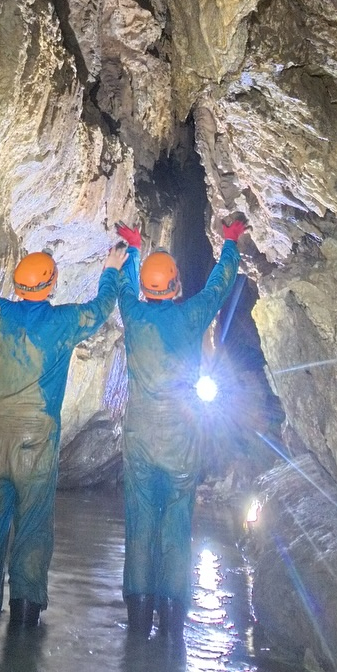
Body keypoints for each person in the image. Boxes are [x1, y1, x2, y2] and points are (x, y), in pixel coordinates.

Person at [0, 240, 122, 627]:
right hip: (37, 440)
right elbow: (100, 309)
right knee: (32, 525)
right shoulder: (63, 321)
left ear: (17, 287)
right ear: (52, 285)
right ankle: (25, 616)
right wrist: (111, 270)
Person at [115, 216, 247, 640]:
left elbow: (122, 286)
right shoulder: (191, 316)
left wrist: (134, 249)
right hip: (179, 443)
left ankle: (137, 621)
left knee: (140, 527)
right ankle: (171, 624)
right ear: (174, 287)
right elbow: (218, 287)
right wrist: (230, 242)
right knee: (175, 526)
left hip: (139, 439)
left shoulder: (133, 315)